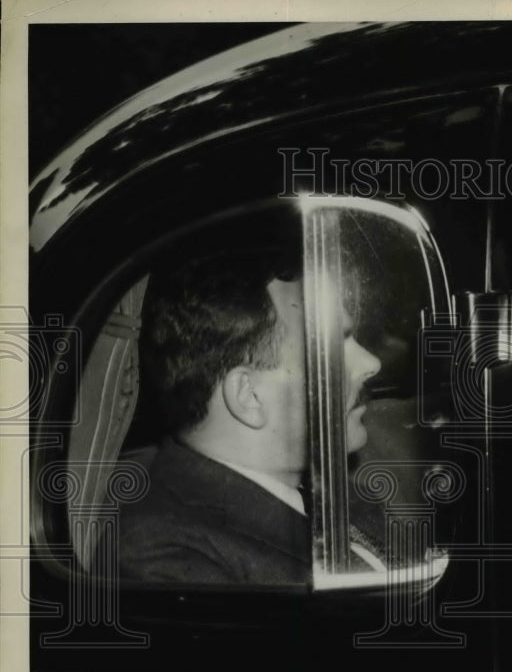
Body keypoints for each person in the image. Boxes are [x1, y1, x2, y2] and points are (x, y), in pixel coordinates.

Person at [109, 244, 385, 584]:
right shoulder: (165, 556)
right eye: (332, 346)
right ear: (249, 395)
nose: (372, 364)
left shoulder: (330, 490)